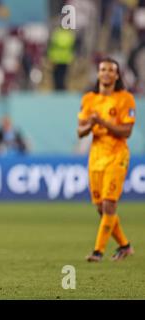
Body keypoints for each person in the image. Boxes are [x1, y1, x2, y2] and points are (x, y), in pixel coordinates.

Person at [77, 57, 136, 262]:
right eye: (103, 69)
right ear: (98, 73)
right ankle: (125, 246)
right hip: (96, 157)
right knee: (101, 208)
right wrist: (92, 125)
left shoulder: (125, 99)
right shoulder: (89, 99)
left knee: (110, 203)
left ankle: (98, 251)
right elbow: (80, 131)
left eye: (111, 70)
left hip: (117, 155)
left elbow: (126, 131)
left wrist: (102, 122)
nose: (107, 73)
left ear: (117, 75)